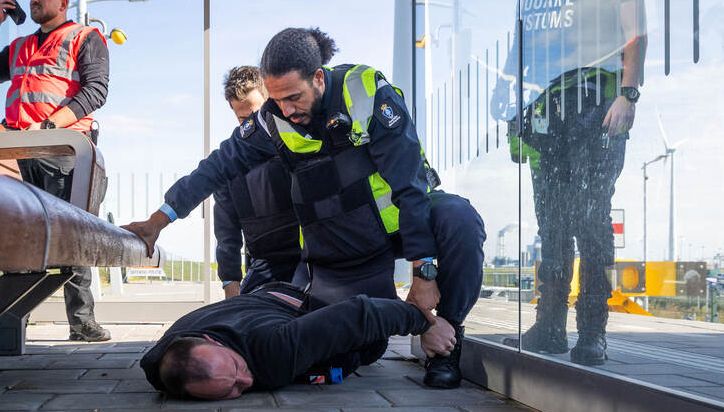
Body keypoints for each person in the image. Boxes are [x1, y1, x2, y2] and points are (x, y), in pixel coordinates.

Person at [124, 27, 486, 389]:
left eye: (294, 97)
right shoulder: (272, 119)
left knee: (460, 219)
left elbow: (409, 185)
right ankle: (416, 326)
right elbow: (217, 167)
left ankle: (446, 345)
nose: (287, 109)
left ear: (317, 78)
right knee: (363, 343)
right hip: (349, 237)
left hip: (405, 220)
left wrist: (423, 271)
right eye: (277, 100)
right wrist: (159, 220)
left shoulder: (365, 92)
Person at [492, 0, 645, 365]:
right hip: (548, 112)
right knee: (551, 222)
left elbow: (635, 32)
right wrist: (509, 98)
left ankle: (593, 333)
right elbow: (524, 40)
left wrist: (629, 94)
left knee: (590, 219)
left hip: (598, 106)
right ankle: (549, 327)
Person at [0, 0, 112, 342]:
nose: (34, 0)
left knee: (74, 235)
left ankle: (82, 324)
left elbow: (96, 91)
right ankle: (11, 320)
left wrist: (50, 127)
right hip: (23, 151)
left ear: (63, 3)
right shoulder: (21, 46)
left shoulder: (85, 37)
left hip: (67, 151)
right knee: (27, 235)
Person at [140, 282, 455, 399]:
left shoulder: (270, 353)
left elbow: (359, 314)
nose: (247, 380)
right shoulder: (166, 358)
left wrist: (423, 324)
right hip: (260, 297)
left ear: (213, 341)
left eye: (236, 368)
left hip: (296, 298)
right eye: (232, 390)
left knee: (370, 349)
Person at [213, 65, 301, 298]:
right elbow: (226, 233)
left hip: (313, 259)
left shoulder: (301, 145)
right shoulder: (230, 165)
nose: (252, 125)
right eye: (242, 118)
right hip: (266, 263)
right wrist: (230, 284)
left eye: (258, 114)